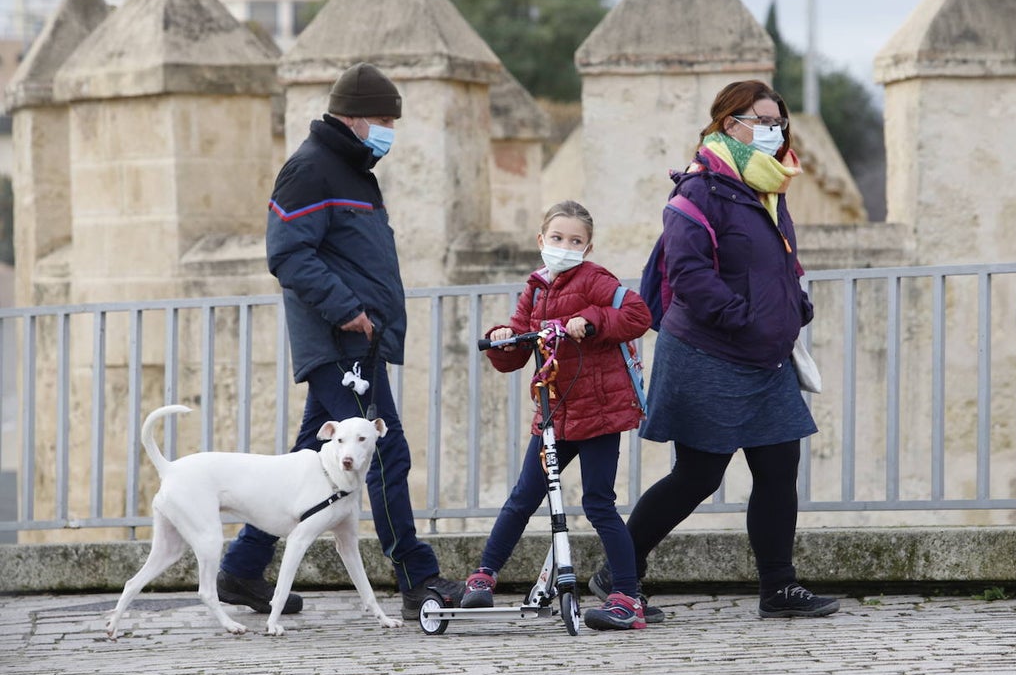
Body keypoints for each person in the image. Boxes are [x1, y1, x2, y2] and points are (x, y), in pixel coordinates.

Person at [216, 61, 463, 621]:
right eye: (380, 120)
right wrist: (347, 309)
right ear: (350, 118)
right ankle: (417, 577)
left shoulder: (354, 170)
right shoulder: (310, 170)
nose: (388, 132)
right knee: (382, 452)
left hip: (357, 344)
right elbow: (287, 253)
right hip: (339, 343)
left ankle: (243, 568)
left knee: (312, 454)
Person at [589, 80, 839, 619]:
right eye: (764, 122)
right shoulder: (698, 192)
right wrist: (744, 319)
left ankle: (779, 588)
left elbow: (775, 263)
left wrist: (795, 305)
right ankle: (618, 573)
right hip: (708, 352)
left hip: (764, 357)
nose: (776, 132)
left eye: (780, 122)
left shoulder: (766, 189)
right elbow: (689, 274)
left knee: (778, 468)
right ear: (731, 125)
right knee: (697, 476)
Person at [459, 200, 654, 630]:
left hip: (600, 413)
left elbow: (638, 314)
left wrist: (592, 319)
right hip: (555, 414)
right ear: (541, 240)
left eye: (575, 241)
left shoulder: (595, 278)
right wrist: (504, 338)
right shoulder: (536, 288)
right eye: (557, 238)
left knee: (598, 502)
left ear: (587, 246)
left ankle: (628, 594)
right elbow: (514, 354)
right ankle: (484, 575)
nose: (565, 246)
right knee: (523, 497)